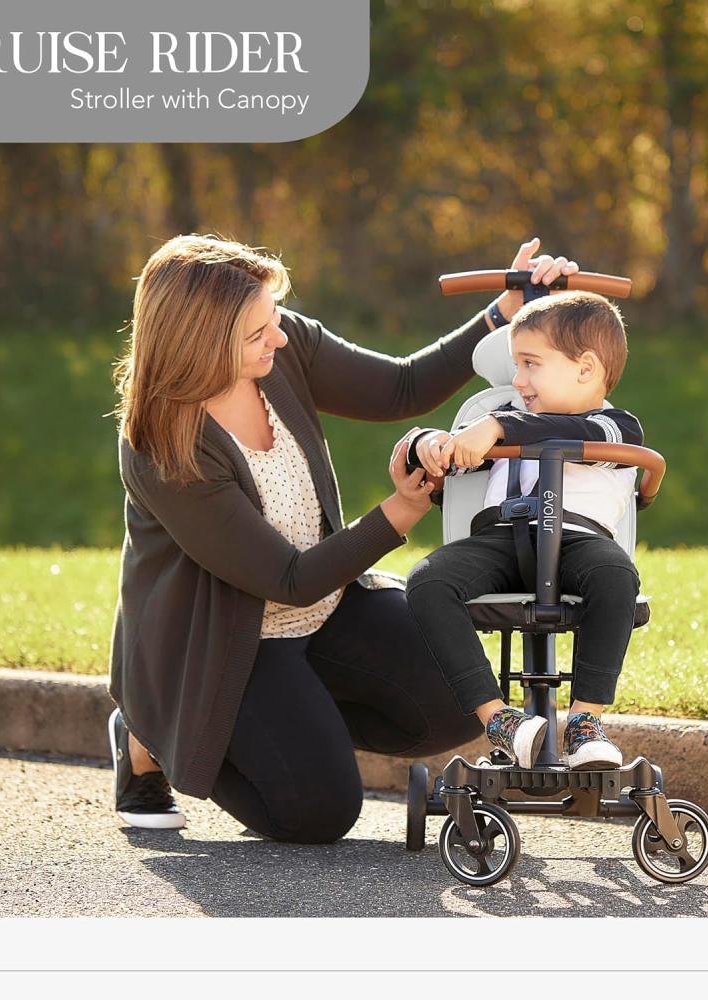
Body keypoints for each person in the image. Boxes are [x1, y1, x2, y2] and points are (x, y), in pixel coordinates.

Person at [107, 232, 581, 839]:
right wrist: (401, 510)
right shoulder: (164, 447)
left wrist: (504, 313)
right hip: (227, 643)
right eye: (257, 333)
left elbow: (402, 387)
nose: (279, 336)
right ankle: (152, 728)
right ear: (202, 342)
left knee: (457, 698)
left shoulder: (280, 348)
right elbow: (288, 579)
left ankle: (295, 718)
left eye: (274, 319)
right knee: (318, 813)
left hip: (327, 605)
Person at [404, 291, 643, 771]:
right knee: (427, 581)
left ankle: (584, 723)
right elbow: (450, 454)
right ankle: (499, 720)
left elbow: (560, 430)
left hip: (578, 541)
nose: (517, 379)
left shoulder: (616, 425)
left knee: (617, 576)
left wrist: (497, 426)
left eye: (531, 364)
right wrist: (427, 444)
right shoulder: (497, 424)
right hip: (499, 541)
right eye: (515, 365)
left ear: (586, 368)